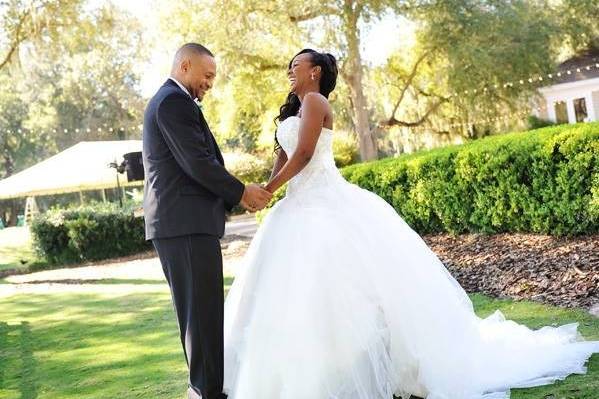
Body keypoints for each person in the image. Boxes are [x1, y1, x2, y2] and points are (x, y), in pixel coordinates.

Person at [222, 48, 599, 399]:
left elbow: (305, 153)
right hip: (294, 207)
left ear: (315, 71)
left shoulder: (317, 102)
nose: (290, 69)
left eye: (296, 64)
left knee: (344, 287)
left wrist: (268, 187)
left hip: (323, 201)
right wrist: (267, 195)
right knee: (297, 292)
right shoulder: (293, 110)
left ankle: (377, 365)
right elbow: (285, 153)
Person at [142, 43, 272, 399]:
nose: (211, 83)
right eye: (208, 75)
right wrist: (242, 192)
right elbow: (197, 162)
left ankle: (206, 388)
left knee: (203, 313)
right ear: (185, 66)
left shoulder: (174, 101)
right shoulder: (172, 102)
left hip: (186, 223)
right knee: (200, 316)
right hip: (183, 223)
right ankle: (205, 391)